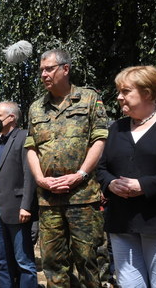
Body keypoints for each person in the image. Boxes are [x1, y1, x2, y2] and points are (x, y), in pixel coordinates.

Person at [96, 66, 156, 287]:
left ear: (147, 93)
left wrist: (145, 185)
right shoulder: (116, 128)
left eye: (126, 91)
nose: (119, 97)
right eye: (119, 91)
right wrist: (110, 184)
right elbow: (101, 169)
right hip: (122, 223)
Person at [25, 49, 108, 287]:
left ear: (65, 69)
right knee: (53, 263)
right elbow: (31, 147)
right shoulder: (36, 108)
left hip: (82, 197)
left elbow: (99, 139)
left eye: (49, 68)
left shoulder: (89, 99)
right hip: (49, 199)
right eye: (41, 70)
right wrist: (40, 179)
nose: (43, 74)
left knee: (88, 261)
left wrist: (80, 174)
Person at [0, 101, 38, 287]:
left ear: (11, 117)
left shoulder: (23, 138)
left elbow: (30, 174)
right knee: (0, 260)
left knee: (23, 261)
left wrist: (26, 206)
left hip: (18, 208)